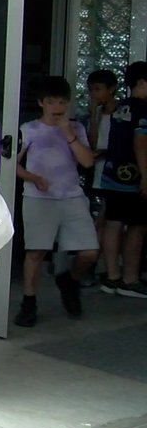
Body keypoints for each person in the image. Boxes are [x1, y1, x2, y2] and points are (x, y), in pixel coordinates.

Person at [13, 76, 97, 327]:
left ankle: (70, 279)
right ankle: (29, 302)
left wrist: (68, 133)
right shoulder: (29, 129)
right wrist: (33, 177)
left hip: (72, 196)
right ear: (41, 103)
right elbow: (10, 164)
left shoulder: (76, 128)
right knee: (36, 251)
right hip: (39, 198)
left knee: (90, 251)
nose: (57, 107)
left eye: (62, 102)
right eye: (51, 102)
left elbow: (88, 162)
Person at [95, 61, 147, 298]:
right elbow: (141, 144)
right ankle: (130, 279)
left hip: (111, 174)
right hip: (132, 176)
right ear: (142, 83)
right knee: (137, 226)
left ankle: (112, 276)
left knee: (113, 223)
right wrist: (146, 177)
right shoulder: (143, 109)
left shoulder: (120, 108)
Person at [87, 68, 119, 284]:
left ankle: (99, 263)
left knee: (107, 220)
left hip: (115, 171)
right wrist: (94, 115)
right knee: (102, 219)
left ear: (111, 89)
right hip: (99, 169)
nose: (94, 94)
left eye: (98, 89)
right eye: (91, 90)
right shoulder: (97, 113)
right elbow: (93, 140)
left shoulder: (122, 111)